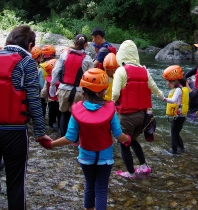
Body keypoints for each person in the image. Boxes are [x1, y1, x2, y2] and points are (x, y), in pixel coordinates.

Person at [0, 25, 52, 210]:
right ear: (30, 44)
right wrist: (39, 132)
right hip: (14, 132)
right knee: (15, 186)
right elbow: (33, 99)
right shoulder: (27, 63)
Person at [37, 68, 131, 210]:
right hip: (105, 159)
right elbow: (119, 135)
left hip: (85, 158)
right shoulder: (110, 110)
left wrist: (51, 144)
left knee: (89, 186)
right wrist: (127, 139)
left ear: (84, 90)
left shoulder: (77, 111)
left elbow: (69, 138)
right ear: (102, 91)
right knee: (100, 190)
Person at [111, 40, 164, 178]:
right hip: (143, 117)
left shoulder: (121, 71)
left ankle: (130, 173)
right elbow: (154, 88)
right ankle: (144, 166)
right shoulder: (144, 71)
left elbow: (115, 94)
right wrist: (162, 97)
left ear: (121, 54)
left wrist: (110, 105)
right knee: (133, 140)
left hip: (127, 116)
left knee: (124, 143)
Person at [49, 34, 93, 136]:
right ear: (86, 44)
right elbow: (90, 77)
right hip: (79, 91)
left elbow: (56, 71)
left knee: (64, 114)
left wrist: (52, 85)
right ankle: (75, 139)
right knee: (76, 116)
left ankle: (63, 137)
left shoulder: (64, 55)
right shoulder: (87, 59)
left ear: (74, 42)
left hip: (63, 89)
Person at [162, 65, 189, 154]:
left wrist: (164, 98)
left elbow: (173, 100)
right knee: (176, 132)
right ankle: (181, 148)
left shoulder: (178, 90)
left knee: (173, 132)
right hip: (182, 115)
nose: (167, 83)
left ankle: (173, 150)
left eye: (169, 81)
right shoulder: (182, 87)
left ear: (175, 81)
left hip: (179, 116)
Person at [40, 58, 61, 129]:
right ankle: (59, 127)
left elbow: (45, 90)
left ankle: (50, 125)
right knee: (59, 115)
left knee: (51, 115)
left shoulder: (48, 80)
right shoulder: (62, 79)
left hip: (51, 101)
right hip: (59, 101)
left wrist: (42, 96)